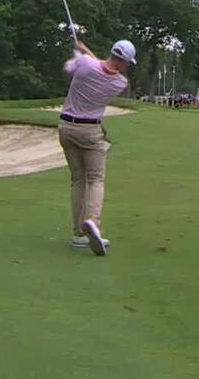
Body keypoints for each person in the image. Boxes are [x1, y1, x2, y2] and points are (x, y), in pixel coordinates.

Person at [59, 37, 134, 256]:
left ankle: (78, 234)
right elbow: (103, 69)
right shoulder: (120, 83)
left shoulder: (85, 64)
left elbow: (71, 68)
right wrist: (85, 52)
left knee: (77, 179)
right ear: (124, 62)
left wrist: (80, 53)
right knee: (95, 179)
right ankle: (93, 222)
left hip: (66, 127)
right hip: (90, 132)